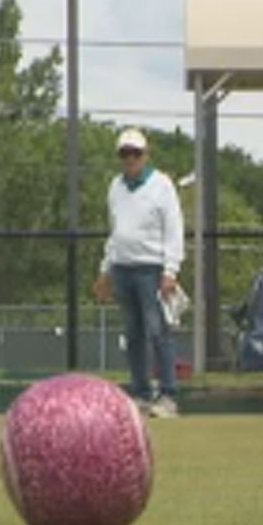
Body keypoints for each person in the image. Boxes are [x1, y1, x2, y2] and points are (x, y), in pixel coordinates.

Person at [93, 128, 185, 418]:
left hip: (151, 268)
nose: (130, 158)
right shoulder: (115, 187)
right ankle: (142, 394)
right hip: (123, 267)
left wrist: (171, 269)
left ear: (146, 155)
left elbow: (174, 229)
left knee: (159, 332)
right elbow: (116, 231)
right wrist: (105, 269)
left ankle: (168, 395)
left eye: (135, 153)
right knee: (133, 334)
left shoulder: (162, 185)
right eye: (125, 154)